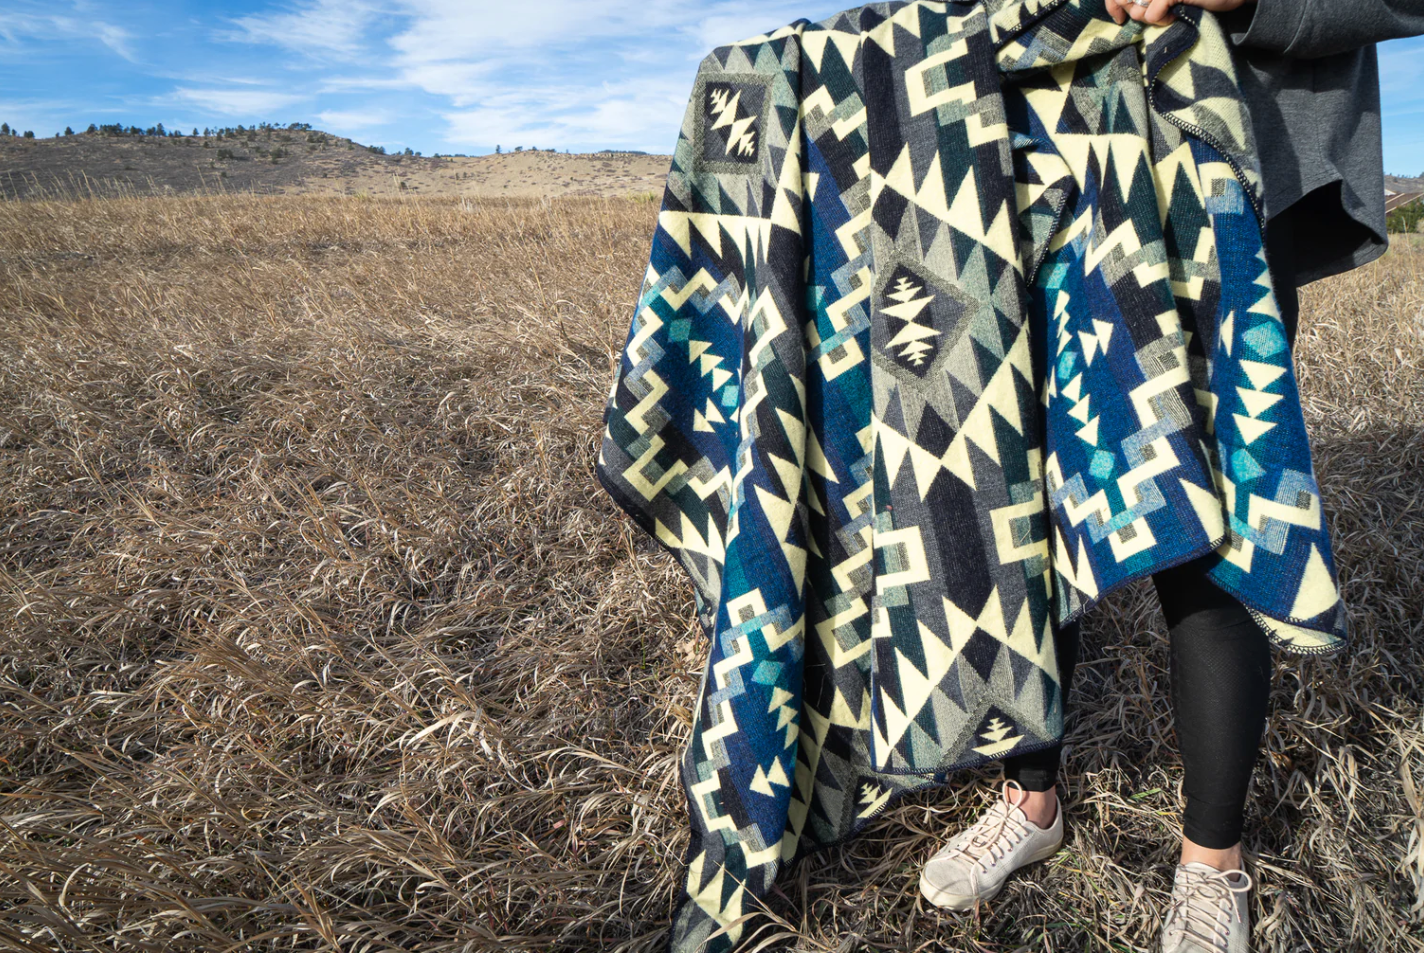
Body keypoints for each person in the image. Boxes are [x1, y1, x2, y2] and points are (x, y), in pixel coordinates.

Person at [917, 2, 1424, 952]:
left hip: (1214, 157)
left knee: (1212, 509)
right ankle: (1031, 804)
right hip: (1034, 172)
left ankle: (1211, 861)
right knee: (1020, 494)